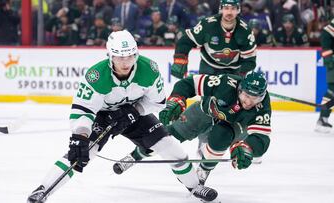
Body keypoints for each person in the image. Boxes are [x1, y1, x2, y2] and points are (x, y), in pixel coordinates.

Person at [27, 30, 217, 203]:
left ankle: (195, 186)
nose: (126, 62)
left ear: (136, 53)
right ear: (110, 55)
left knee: (167, 145)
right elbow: (83, 110)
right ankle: (43, 190)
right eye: (119, 57)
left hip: (136, 113)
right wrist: (81, 135)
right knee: (82, 153)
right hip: (103, 117)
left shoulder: (149, 70)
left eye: (130, 56)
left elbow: (157, 102)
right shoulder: (96, 76)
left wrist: (134, 112)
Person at [113, 71, 271, 187]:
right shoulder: (226, 82)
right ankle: (135, 156)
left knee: (220, 136)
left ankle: (203, 170)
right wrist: (177, 99)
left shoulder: (262, 106)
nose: (249, 102)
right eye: (247, 96)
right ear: (240, 89)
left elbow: (261, 137)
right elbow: (189, 83)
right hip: (204, 112)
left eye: (255, 97)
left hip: (233, 125)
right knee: (165, 136)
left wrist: (249, 148)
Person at [170, 0, 257, 79]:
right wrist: (179, 61)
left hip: (233, 70)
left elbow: (250, 60)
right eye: (226, 8)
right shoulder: (207, 25)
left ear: (238, 10)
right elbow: (186, 41)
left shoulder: (246, 31)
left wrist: (240, 74)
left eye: (233, 8)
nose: (229, 12)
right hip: (209, 68)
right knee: (208, 96)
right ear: (221, 9)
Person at [316, 18, 334, 133]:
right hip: (333, 65)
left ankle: (323, 118)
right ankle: (322, 118)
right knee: (332, 91)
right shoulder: (327, 31)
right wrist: (331, 62)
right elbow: (326, 52)